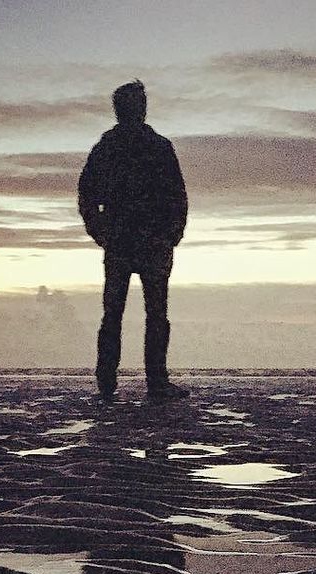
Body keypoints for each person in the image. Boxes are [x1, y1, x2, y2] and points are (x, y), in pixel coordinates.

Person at [78, 80, 189, 400]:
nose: (138, 108)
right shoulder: (107, 149)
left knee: (153, 314)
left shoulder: (158, 146)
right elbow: (87, 194)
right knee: (117, 314)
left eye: (139, 103)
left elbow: (176, 194)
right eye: (133, 103)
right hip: (124, 241)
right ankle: (109, 382)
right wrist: (99, 231)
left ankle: (153, 382)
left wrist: (173, 232)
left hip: (151, 241)